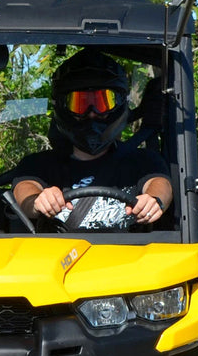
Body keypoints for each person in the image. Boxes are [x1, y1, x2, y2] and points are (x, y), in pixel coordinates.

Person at [12, 49, 173, 231]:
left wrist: (154, 201)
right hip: (58, 258)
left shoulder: (142, 161)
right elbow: (25, 189)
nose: (91, 113)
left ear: (119, 104)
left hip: (131, 257)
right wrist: (37, 201)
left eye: (102, 102)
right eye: (79, 104)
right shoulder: (38, 165)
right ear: (63, 107)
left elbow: (160, 184)